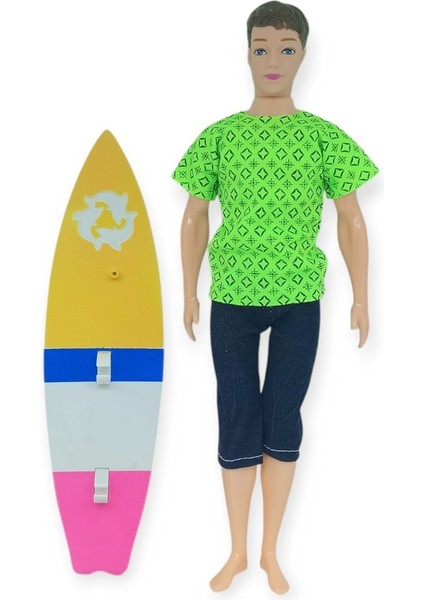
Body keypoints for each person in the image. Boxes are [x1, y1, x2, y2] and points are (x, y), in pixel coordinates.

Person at [172, 1, 378, 594]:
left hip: (299, 297)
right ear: (246, 53)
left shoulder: (323, 137)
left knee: (284, 414)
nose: (273, 60)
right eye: (261, 47)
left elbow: (352, 219)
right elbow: (193, 217)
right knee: (236, 411)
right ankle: (237, 549)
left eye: (287, 49)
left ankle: (269, 551)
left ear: (304, 55)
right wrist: (189, 291)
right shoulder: (220, 136)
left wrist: (361, 296)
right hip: (233, 296)